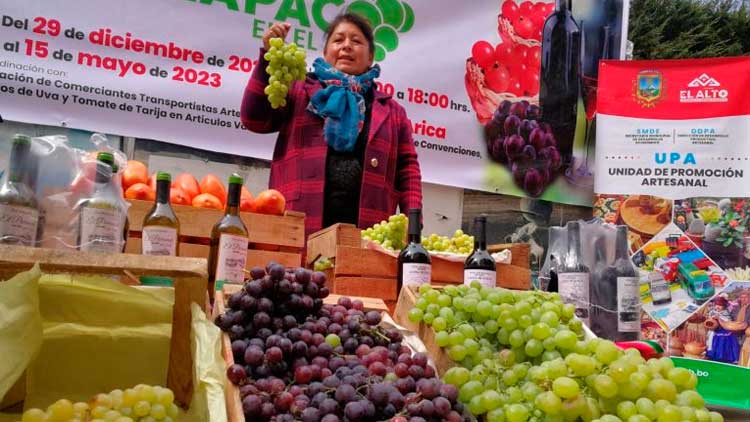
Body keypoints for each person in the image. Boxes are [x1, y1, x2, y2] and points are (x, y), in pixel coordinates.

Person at [240, 14, 423, 238]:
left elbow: (408, 170)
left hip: (368, 230)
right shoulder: (299, 91)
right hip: (299, 224)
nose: (347, 46)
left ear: (371, 57)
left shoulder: (393, 112)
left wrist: (413, 224)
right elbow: (254, 118)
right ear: (326, 53)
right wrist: (266, 59)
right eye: (338, 40)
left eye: (356, 41)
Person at [706, 296, 740, 364]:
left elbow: (728, 322)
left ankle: (723, 359)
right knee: (714, 346)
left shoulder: (726, 313)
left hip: (724, 334)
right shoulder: (712, 312)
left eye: (720, 305)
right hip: (715, 333)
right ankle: (714, 358)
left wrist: (719, 318)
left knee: (723, 347)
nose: (717, 307)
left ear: (724, 306)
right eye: (716, 305)